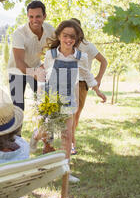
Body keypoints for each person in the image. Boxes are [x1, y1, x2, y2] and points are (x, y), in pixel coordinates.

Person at [31, 20, 104, 183]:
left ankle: (65, 171)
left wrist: (97, 90)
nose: (68, 40)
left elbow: (86, 74)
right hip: (51, 100)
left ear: (77, 39)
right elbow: (45, 75)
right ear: (59, 36)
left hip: (69, 99)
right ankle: (36, 136)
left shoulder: (81, 57)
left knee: (67, 135)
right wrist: (41, 93)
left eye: (72, 37)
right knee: (46, 132)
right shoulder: (51, 55)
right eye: (65, 36)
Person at [7, 0, 55, 111]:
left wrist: (45, 67)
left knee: (45, 103)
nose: (34, 20)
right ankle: (16, 129)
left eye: (38, 16)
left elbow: (55, 51)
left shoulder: (50, 30)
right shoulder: (19, 33)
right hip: (17, 71)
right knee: (18, 108)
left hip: (36, 67)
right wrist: (36, 74)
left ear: (44, 16)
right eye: (31, 17)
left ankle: (44, 128)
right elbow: (19, 62)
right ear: (27, 16)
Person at [70, 18, 107, 155]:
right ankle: (69, 143)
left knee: (76, 115)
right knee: (70, 115)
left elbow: (104, 61)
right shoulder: (66, 44)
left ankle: (71, 142)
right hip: (67, 81)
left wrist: (98, 79)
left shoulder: (88, 46)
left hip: (81, 83)